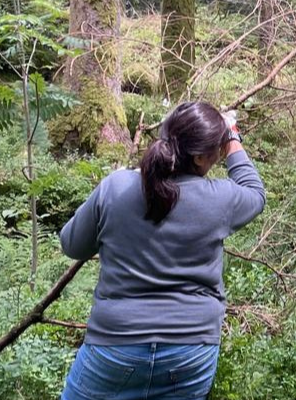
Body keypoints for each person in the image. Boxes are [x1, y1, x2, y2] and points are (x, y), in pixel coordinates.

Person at [58, 102, 266, 400]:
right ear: (199, 157)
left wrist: (106, 197)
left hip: (115, 345)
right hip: (191, 351)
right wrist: (232, 135)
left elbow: (72, 244)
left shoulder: (116, 187)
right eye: (217, 149)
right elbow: (255, 192)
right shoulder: (221, 199)